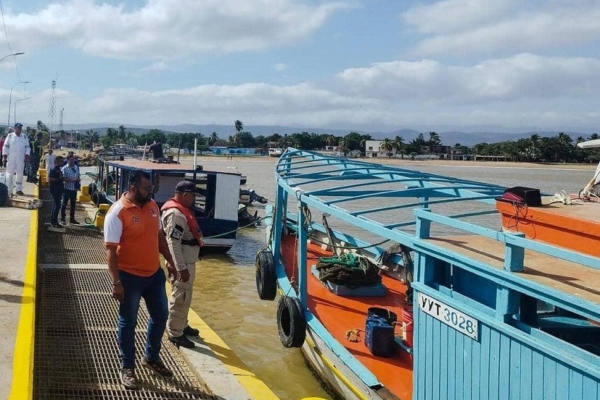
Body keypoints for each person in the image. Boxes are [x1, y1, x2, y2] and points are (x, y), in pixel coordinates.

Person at [104, 170, 177, 389]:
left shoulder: (153, 206)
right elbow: (110, 251)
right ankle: (127, 367)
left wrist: (170, 261)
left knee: (161, 315)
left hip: (153, 275)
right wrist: (116, 282)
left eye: (151, 189)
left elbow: (159, 236)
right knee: (128, 322)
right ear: (134, 188)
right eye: (147, 188)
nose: (150, 192)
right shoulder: (117, 212)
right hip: (129, 277)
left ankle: (151, 357)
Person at [160, 181, 203, 349]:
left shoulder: (180, 211)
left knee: (186, 295)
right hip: (182, 262)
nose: (193, 199)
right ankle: (175, 333)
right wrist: (180, 268)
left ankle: (182, 324)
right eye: (192, 196)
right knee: (180, 297)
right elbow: (173, 243)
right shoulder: (176, 214)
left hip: (188, 259)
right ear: (185, 195)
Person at [2, 123, 30, 196]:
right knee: (9, 174)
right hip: (11, 158)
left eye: (20, 128)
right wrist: (4, 157)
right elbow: (5, 147)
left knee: (20, 174)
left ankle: (19, 189)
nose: (19, 129)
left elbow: (27, 147)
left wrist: (27, 156)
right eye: (18, 128)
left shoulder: (24, 136)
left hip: (21, 158)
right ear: (15, 128)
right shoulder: (10, 136)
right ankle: (8, 190)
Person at [60, 155, 81, 225]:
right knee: (64, 205)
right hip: (67, 189)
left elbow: (78, 175)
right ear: (67, 160)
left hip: (74, 189)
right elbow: (63, 179)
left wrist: (78, 179)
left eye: (73, 160)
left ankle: (72, 219)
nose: (72, 161)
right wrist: (72, 180)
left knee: (73, 205)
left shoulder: (75, 167)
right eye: (71, 160)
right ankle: (63, 219)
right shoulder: (64, 168)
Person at [47, 156, 65, 231]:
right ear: (56, 161)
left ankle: (54, 221)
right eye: (60, 161)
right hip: (55, 190)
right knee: (57, 205)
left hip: (59, 190)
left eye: (62, 161)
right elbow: (50, 179)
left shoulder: (59, 169)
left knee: (56, 205)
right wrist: (59, 179)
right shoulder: (54, 170)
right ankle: (53, 221)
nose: (61, 162)